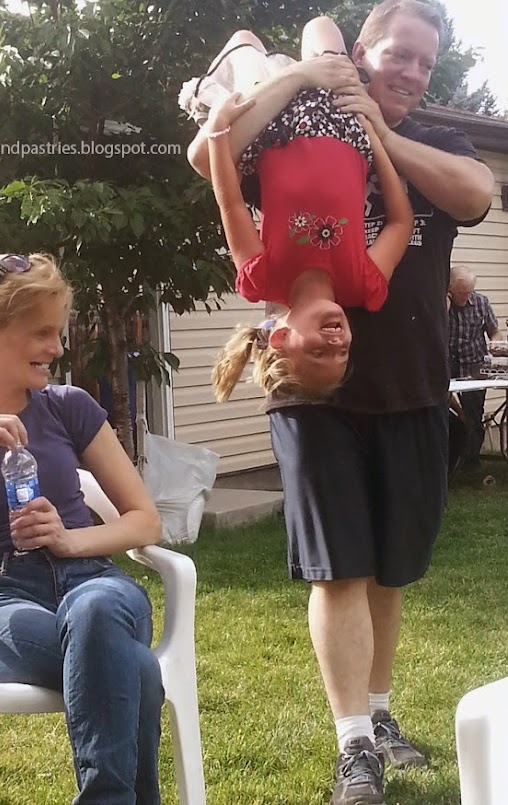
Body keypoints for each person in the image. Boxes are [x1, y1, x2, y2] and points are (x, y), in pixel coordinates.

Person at [186, 2, 494, 803]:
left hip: (413, 387)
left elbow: (474, 195)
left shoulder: (440, 138)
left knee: (390, 568)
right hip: (314, 390)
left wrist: (379, 132)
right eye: (400, 54)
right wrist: (299, 76)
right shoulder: (305, 107)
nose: (413, 72)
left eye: (427, 63)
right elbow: (206, 154)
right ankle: (354, 742)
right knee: (339, 567)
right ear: (364, 52)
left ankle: (381, 716)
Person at [0, 253, 164, 805]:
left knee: (95, 612)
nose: (59, 348)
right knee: (136, 668)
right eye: (42, 333)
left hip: (93, 581)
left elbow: (146, 520)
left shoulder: (69, 407)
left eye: (58, 332)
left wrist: (71, 539)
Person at [184, 20, 413, 403]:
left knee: (244, 39)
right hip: (343, 123)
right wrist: (375, 138)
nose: (335, 343)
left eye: (318, 352)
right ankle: (284, 71)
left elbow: (232, 202)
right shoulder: (363, 285)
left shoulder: (262, 277)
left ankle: (206, 95)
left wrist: (219, 128)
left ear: (280, 336)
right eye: (342, 353)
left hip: (275, 129)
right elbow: (401, 222)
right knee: (321, 27)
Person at [448, 264, 501, 470]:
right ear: (450, 289)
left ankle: (471, 462)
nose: (466, 296)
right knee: (445, 410)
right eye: (461, 293)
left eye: (469, 292)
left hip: (474, 364)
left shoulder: (481, 302)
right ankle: (450, 457)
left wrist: (495, 343)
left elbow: (494, 331)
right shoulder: (442, 304)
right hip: (449, 364)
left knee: (474, 414)